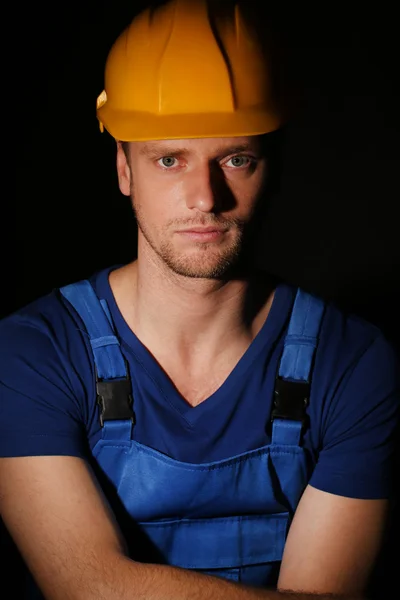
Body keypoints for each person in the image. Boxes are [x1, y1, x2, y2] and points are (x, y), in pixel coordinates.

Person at [1, 1, 399, 598]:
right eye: (169, 159)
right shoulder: (32, 354)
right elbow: (86, 586)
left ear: (273, 167)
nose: (205, 198)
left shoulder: (352, 363)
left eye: (236, 159)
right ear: (123, 169)